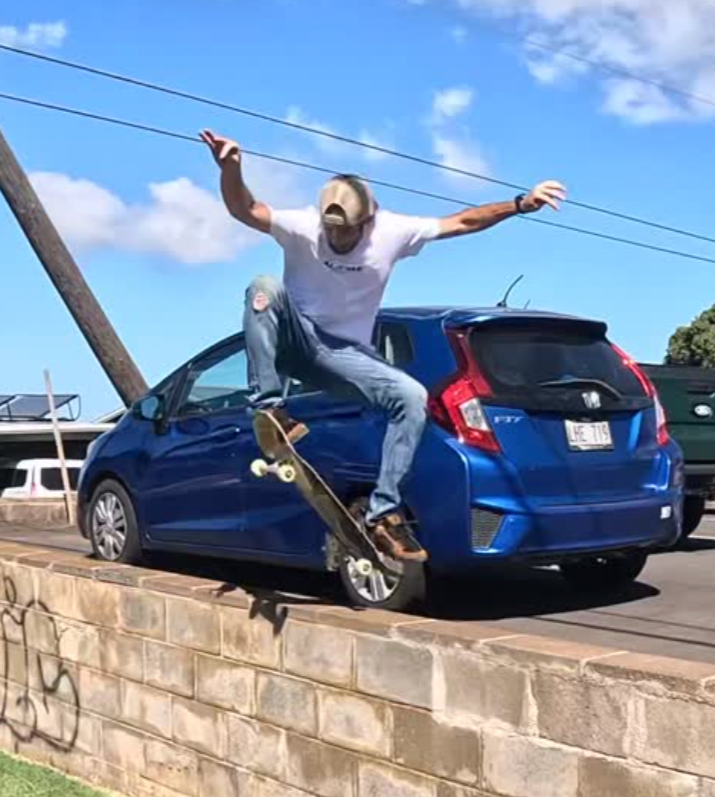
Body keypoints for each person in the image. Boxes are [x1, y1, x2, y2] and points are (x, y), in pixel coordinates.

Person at [200, 129, 566, 563]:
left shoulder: (393, 230)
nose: (337, 240)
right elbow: (245, 209)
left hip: (344, 356)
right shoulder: (302, 225)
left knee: (411, 397)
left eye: (348, 233)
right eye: (331, 232)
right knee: (263, 287)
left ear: (369, 221)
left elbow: (464, 222)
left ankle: (384, 513)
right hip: (295, 338)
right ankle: (271, 411)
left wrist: (519, 204)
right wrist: (231, 169)